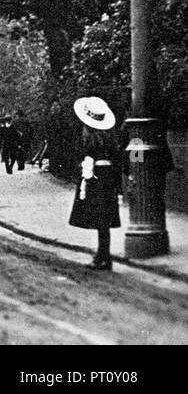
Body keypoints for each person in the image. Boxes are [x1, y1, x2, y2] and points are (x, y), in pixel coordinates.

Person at [68, 96, 121, 271]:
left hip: (94, 178)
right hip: (108, 179)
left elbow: (83, 156)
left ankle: (103, 256)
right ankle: (103, 254)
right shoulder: (110, 137)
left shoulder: (90, 138)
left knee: (99, 218)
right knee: (104, 219)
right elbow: (116, 158)